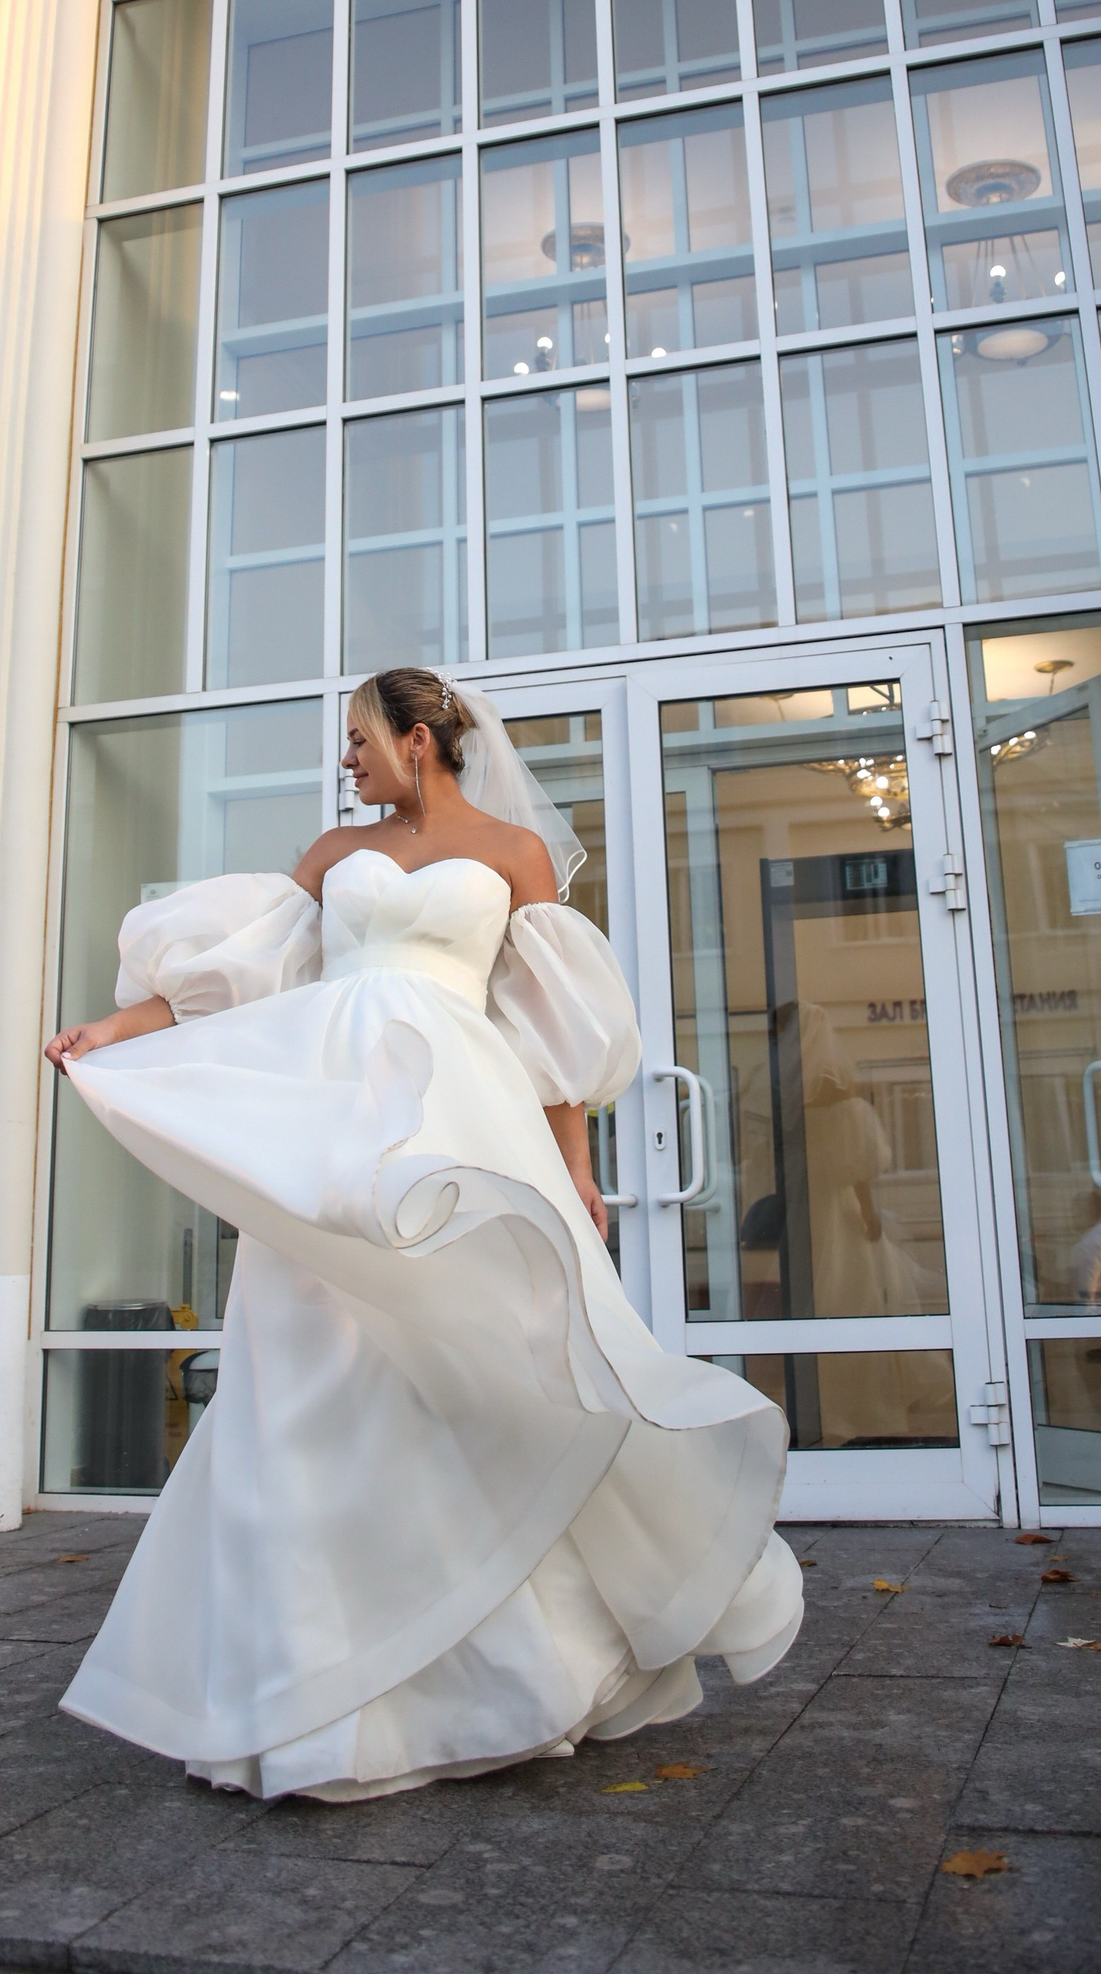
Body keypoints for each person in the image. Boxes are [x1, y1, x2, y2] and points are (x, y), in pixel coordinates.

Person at [46, 667, 803, 1804]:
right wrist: (114, 1027)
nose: (346, 760)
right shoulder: (331, 855)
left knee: (471, 1375)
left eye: (359, 739)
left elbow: (551, 1028)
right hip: (335, 1131)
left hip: (464, 1118)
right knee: (309, 1377)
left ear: (417, 739)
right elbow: (234, 981)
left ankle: (513, 1677)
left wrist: (577, 1168)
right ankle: (308, 1693)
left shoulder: (514, 853)